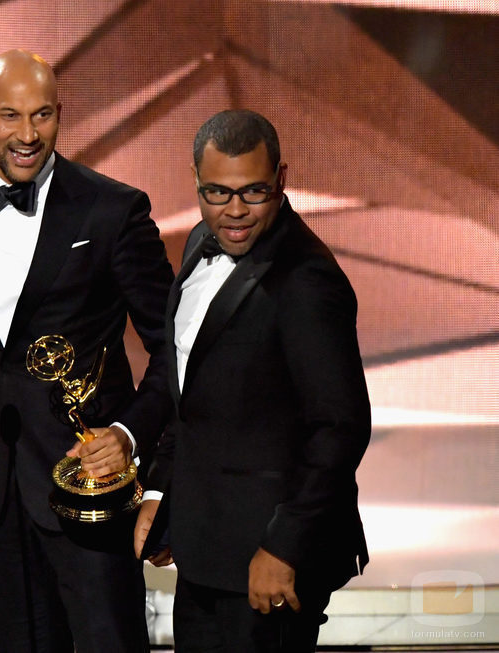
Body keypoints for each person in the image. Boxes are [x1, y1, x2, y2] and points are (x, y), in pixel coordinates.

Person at [0, 49, 173, 652]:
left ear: (61, 114)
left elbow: (174, 349)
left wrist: (130, 436)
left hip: (88, 482)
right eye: (10, 117)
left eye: (43, 116)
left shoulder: (113, 209)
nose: (28, 136)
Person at [134, 109, 371, 652]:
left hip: (269, 567)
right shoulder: (198, 242)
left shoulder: (307, 280)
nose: (234, 211)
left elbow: (340, 427)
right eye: (217, 193)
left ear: (281, 180)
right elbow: (191, 393)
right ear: (196, 180)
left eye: (253, 192)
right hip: (204, 553)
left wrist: (283, 547)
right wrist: (162, 486)